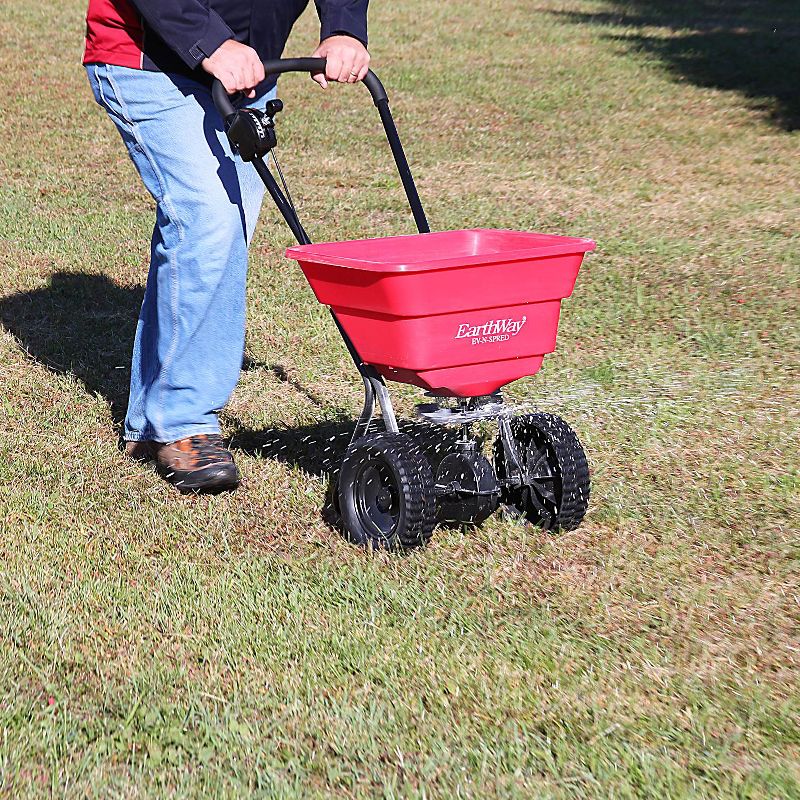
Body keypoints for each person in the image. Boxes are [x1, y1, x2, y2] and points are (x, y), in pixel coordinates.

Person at [83, 0, 370, 493]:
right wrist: (209, 42)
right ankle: (183, 421)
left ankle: (151, 418)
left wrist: (344, 27)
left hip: (249, 71)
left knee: (217, 232)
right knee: (209, 219)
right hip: (151, 60)